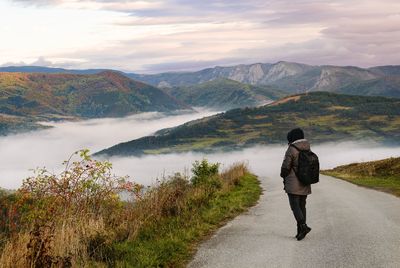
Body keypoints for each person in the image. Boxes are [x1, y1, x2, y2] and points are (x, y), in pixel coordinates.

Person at [280, 128, 312, 241]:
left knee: (295, 206)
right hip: (305, 180)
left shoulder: (291, 149)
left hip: (293, 183)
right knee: (302, 205)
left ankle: (303, 227)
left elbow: (286, 166)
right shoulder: (307, 147)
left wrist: (282, 175)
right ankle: (300, 231)